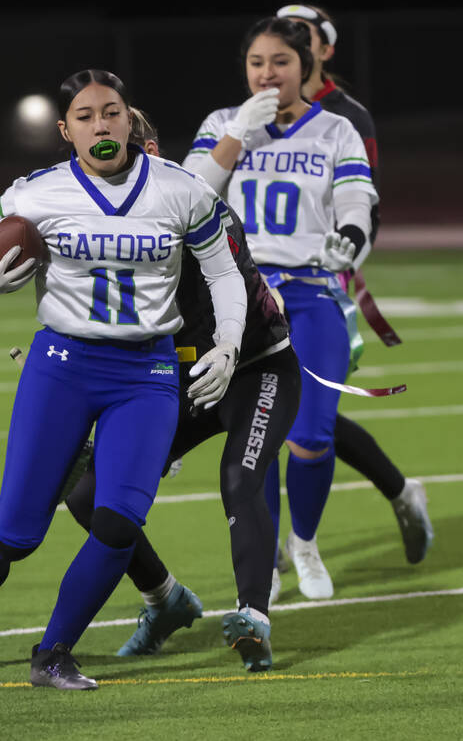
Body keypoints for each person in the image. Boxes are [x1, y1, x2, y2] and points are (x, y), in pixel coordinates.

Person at [0, 70, 247, 689]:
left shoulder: (180, 189)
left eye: (111, 112)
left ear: (130, 118)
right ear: (65, 130)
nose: (101, 124)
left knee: (117, 522)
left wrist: (229, 344)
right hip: (62, 367)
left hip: (148, 371)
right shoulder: (37, 192)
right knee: (20, 529)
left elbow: (224, 271)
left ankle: (52, 652)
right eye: (85, 116)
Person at [63, 107, 300, 670]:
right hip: (176, 380)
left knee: (240, 476)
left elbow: (233, 290)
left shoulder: (195, 207)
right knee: (86, 493)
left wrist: (229, 346)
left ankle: (254, 618)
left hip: (253, 367)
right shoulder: (103, 228)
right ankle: (164, 599)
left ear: (149, 158)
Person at [181, 17, 377, 600]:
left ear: (306, 66)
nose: (268, 73)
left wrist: (352, 237)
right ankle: (262, 556)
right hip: (243, 301)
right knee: (253, 440)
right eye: (256, 63)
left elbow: (357, 202)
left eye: (281, 62)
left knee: (313, 436)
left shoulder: (337, 129)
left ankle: (306, 543)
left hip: (313, 293)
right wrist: (240, 132)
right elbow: (189, 198)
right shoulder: (223, 123)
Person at [275, 3, 433, 573]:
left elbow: (365, 207)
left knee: (297, 413)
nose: (285, 49)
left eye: (300, 37)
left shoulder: (345, 117)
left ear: (323, 49)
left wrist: (338, 269)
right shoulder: (246, 116)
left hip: (316, 292)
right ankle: (399, 491)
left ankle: (281, 542)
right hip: (256, 290)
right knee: (278, 408)